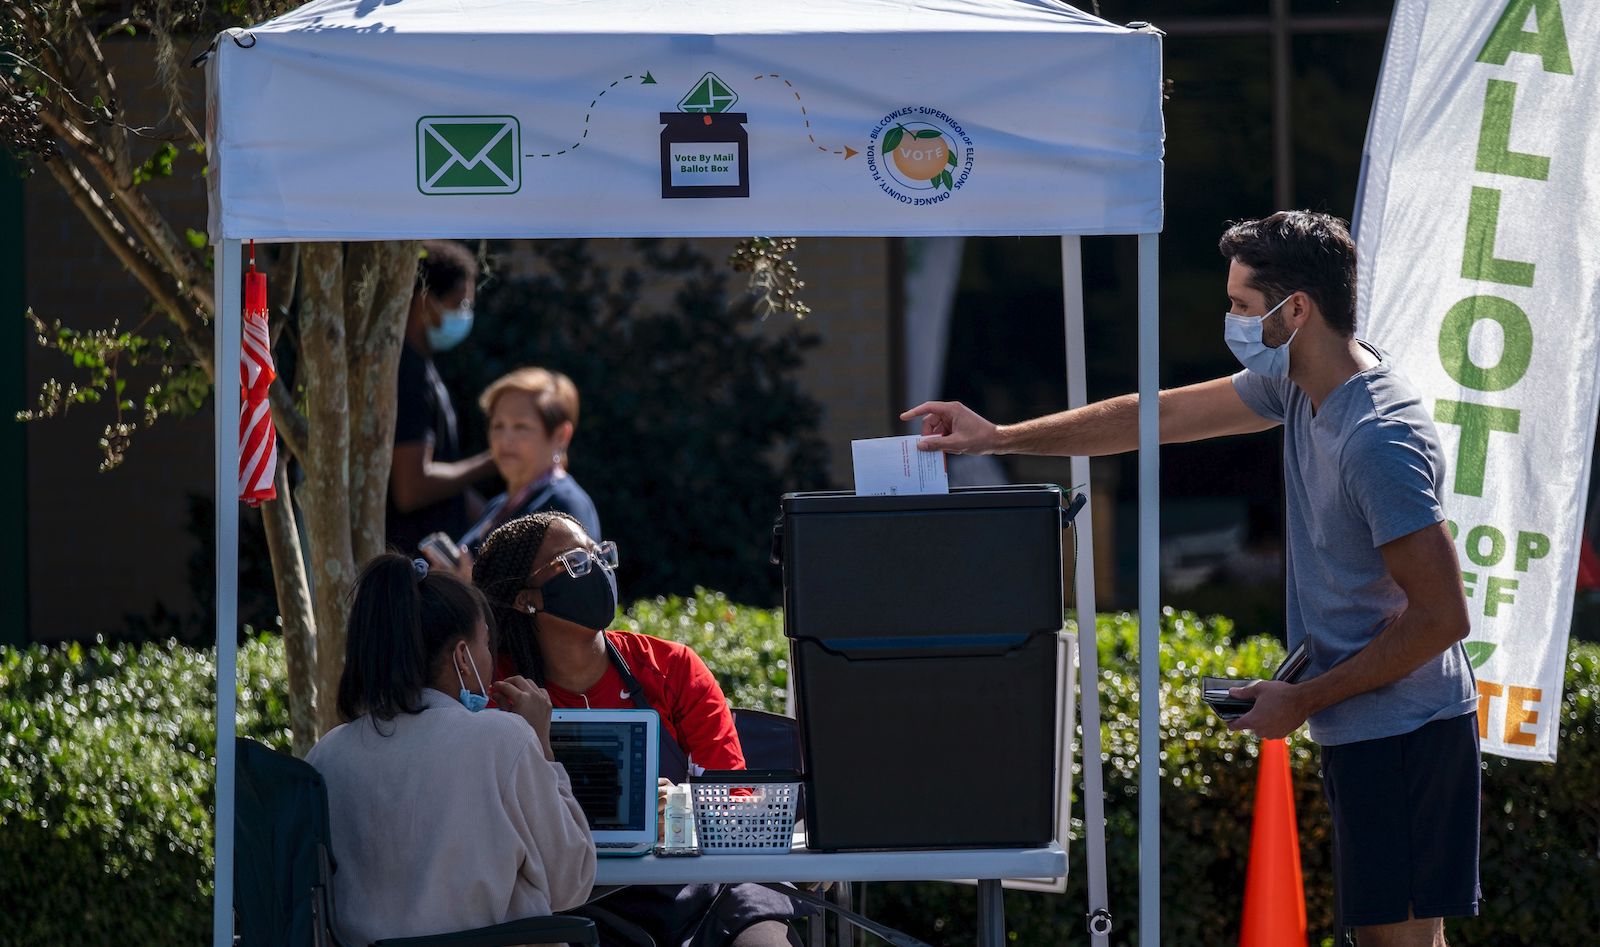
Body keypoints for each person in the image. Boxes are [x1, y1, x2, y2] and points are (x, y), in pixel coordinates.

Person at [904, 211, 1478, 947]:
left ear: (1295, 310)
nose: (1230, 321)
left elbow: (1441, 619)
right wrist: (1001, 437)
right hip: (1374, 724)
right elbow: (1158, 416)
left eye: (1242, 306)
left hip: (1407, 731)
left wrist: (1301, 700)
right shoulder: (1301, 383)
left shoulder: (1378, 441)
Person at [473, 511, 803, 947]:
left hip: (704, 895)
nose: (600, 571)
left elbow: (735, 804)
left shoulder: (673, 667)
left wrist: (682, 809)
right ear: (524, 598)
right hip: (570, 904)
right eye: (577, 562)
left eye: (599, 555)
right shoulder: (500, 693)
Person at [306, 553, 595, 946]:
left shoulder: (327, 755)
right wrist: (541, 742)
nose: (491, 660)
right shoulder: (503, 739)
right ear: (463, 657)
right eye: (487, 645)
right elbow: (572, 881)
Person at [386, 240, 496, 556]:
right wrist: (491, 462)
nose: (465, 314)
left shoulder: (422, 366)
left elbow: (449, 484)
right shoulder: (408, 374)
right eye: (459, 303)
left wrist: (500, 516)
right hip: (414, 564)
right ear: (424, 300)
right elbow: (411, 487)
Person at [462, 367, 602, 554]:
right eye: (498, 426)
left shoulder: (567, 505)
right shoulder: (498, 506)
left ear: (561, 435)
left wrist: (469, 580)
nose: (505, 439)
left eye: (521, 427)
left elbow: (574, 581)